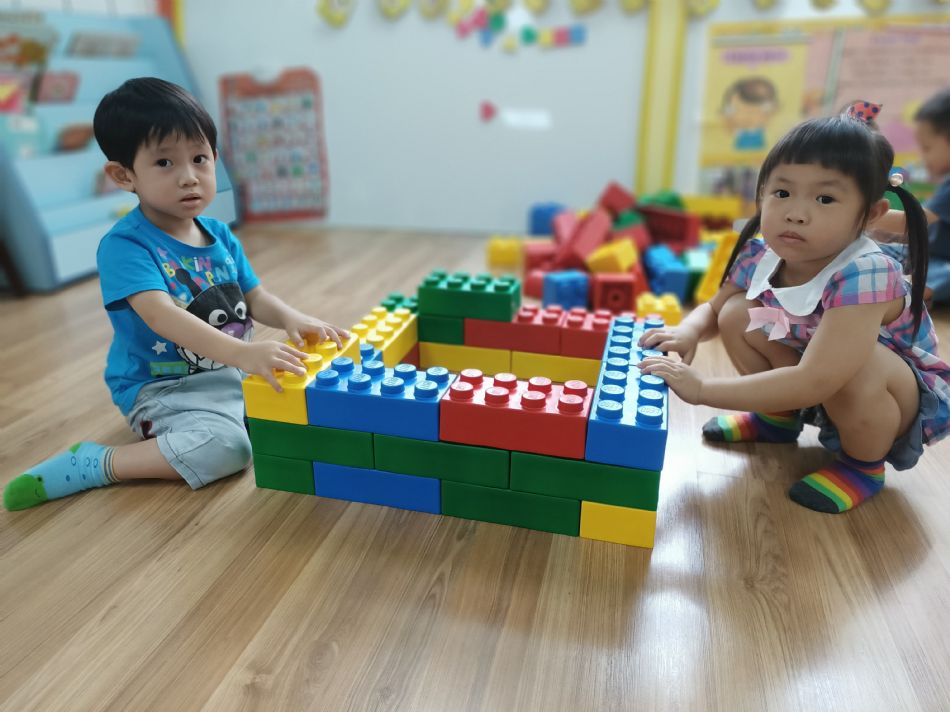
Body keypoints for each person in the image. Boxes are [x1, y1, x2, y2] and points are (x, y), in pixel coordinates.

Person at [3, 77, 348, 511]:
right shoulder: (127, 245)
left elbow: (254, 295)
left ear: (214, 159)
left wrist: (293, 318)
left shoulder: (219, 234)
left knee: (306, 399)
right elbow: (160, 315)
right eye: (165, 162)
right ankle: (97, 463)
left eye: (199, 159)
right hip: (165, 387)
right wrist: (243, 354)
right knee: (228, 449)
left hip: (229, 374)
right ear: (123, 175)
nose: (189, 177)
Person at [638, 104, 950, 514]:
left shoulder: (865, 272)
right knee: (737, 312)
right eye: (782, 193)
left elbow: (818, 378)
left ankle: (862, 465)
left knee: (861, 365)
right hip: (815, 372)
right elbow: (715, 310)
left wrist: (702, 390)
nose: (796, 214)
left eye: (825, 198)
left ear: (871, 214)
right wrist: (688, 331)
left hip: (889, 395)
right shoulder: (761, 252)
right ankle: (776, 419)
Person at [869, 88, 950, 306]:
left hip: (940, 263)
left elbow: (914, 220)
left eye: (927, 148)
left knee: (943, 274)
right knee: (872, 249)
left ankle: (905, 294)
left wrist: (863, 215)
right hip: (921, 254)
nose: (923, 157)